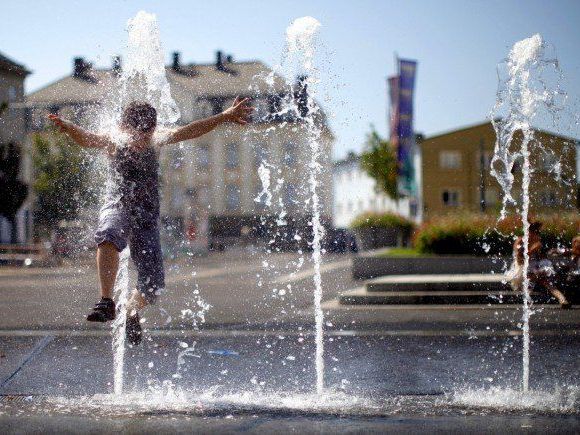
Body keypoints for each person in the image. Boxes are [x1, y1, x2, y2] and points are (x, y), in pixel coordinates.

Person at [48, 97, 253, 344]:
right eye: (136, 135)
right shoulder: (114, 139)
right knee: (108, 235)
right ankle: (105, 301)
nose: (141, 141)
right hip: (118, 205)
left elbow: (188, 131)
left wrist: (223, 116)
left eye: (147, 135)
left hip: (146, 215)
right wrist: (71, 128)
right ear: (124, 129)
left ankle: (130, 311)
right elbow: (88, 139)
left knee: (153, 285)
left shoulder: (156, 140)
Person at [509, 221, 571, 308]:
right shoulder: (520, 241)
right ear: (529, 232)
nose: (536, 235)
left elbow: (541, 258)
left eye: (537, 233)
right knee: (535, 280)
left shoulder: (537, 242)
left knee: (546, 282)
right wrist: (531, 251)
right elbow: (520, 260)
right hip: (521, 270)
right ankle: (527, 301)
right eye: (534, 233)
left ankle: (562, 299)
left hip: (534, 270)